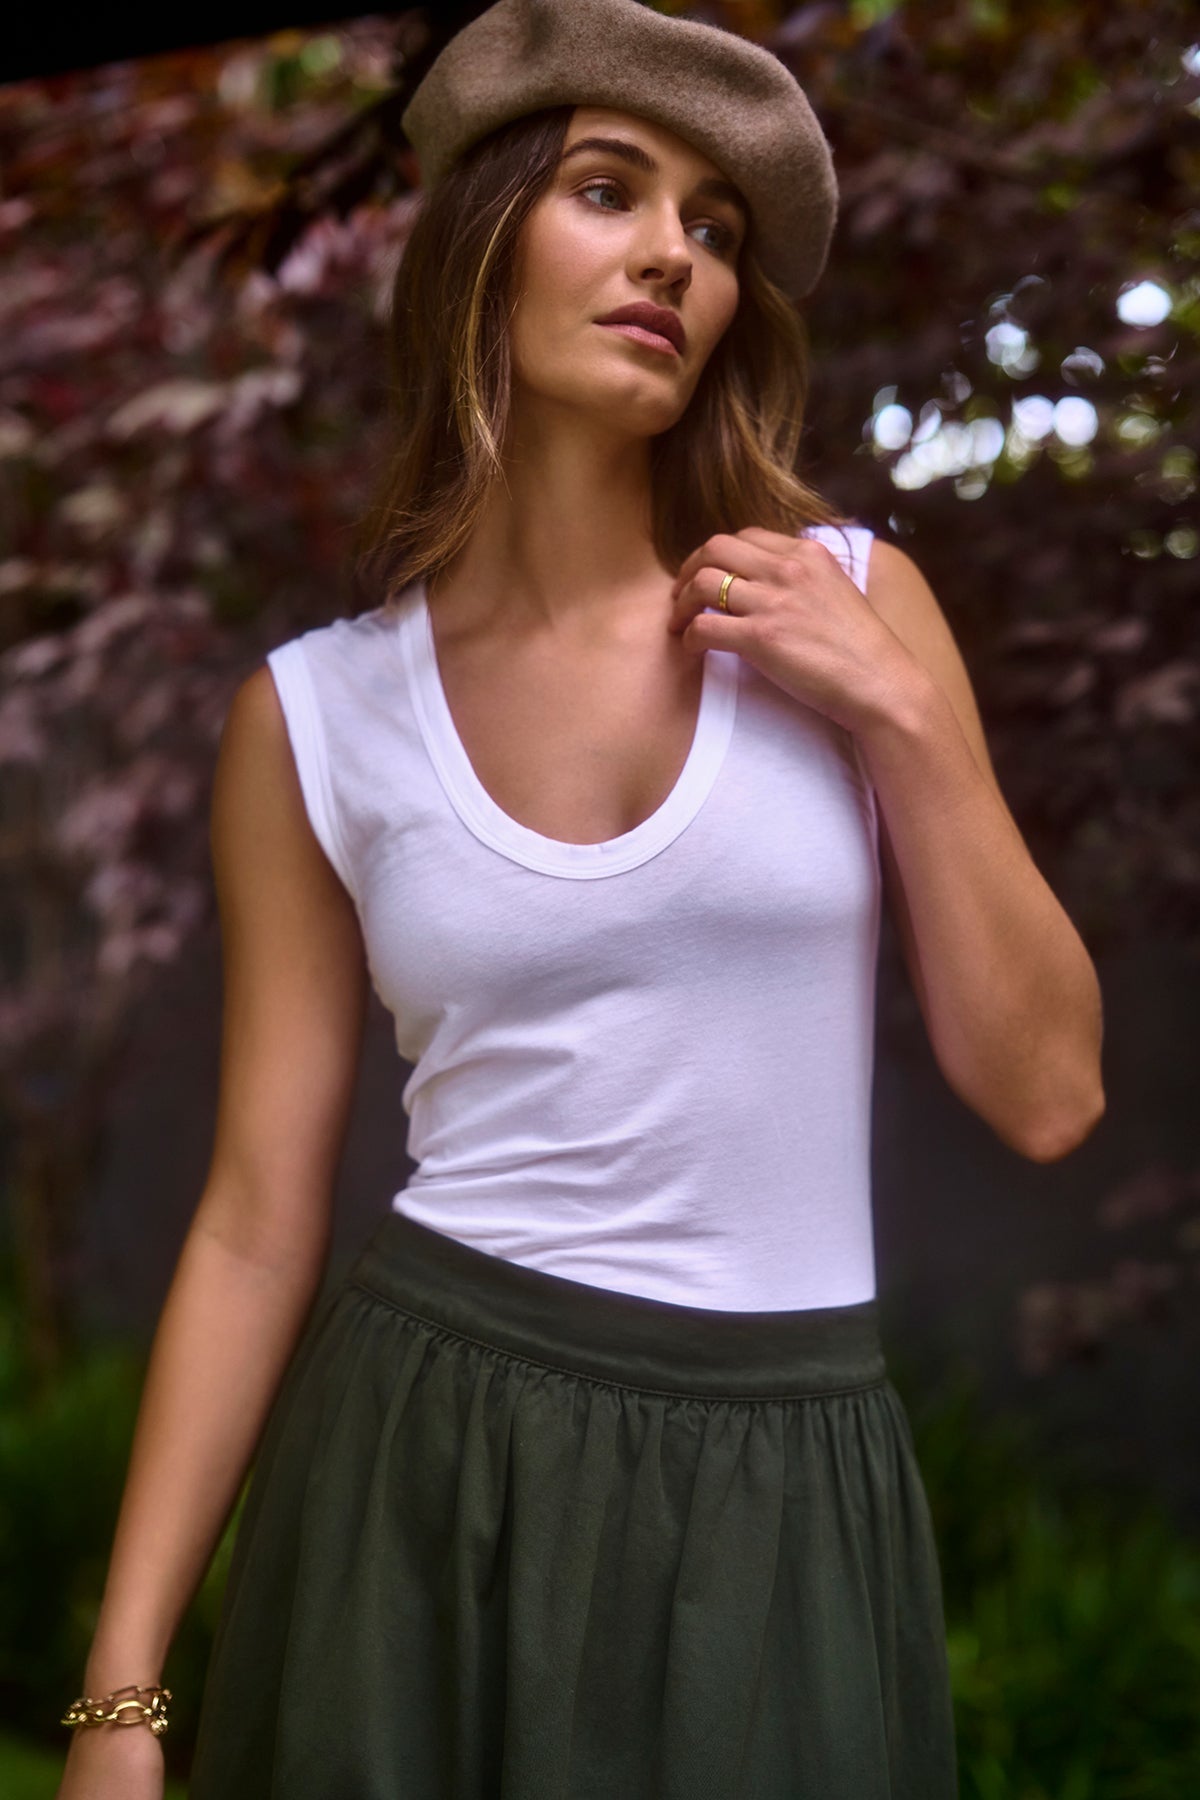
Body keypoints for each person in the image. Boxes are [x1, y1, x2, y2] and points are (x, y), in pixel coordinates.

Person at [56, 1, 1106, 1795]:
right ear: (480, 245)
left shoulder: (849, 601)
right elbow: (250, 1215)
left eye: (711, 226)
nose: (671, 258)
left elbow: (1050, 1093)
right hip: (423, 1453)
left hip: (788, 1473)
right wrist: (123, 1694)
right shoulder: (315, 715)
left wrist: (905, 718)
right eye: (609, 191)